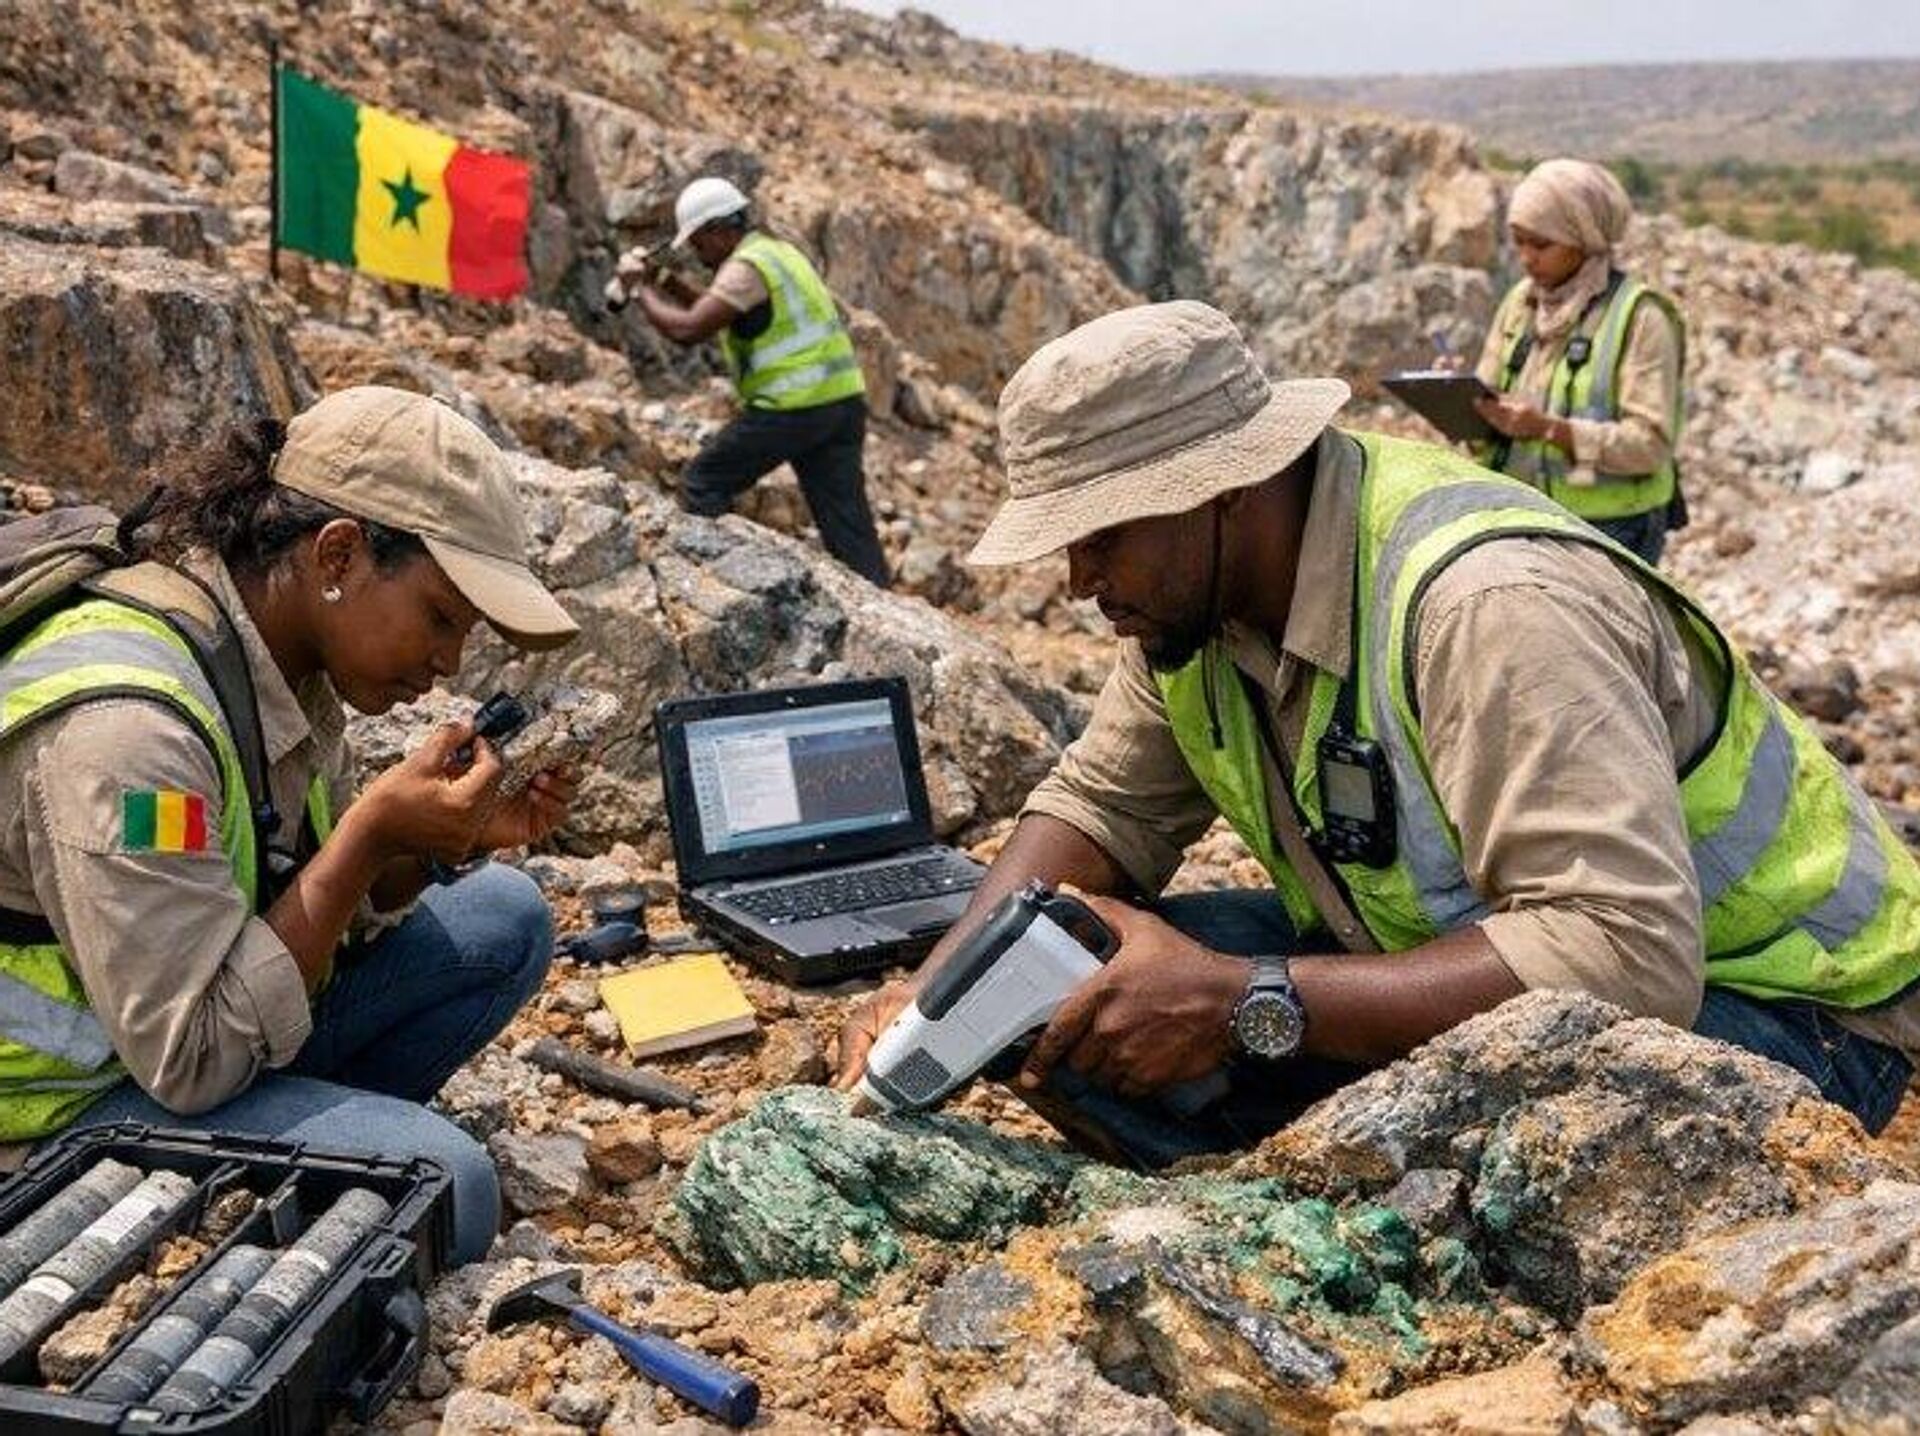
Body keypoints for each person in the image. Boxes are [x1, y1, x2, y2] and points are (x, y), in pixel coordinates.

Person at [833, 301, 1919, 1168]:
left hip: (1784, 1007)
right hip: (1461, 948)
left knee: (1489, 1156)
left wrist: (1244, 1002)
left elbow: (1624, 956)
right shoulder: (1195, 605)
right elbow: (1101, 807)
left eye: (1102, 535)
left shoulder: (1489, 603)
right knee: (1052, 988)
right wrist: (936, 994)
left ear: (1225, 490)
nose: (1079, 580)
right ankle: (1278, 1182)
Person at [0, 386, 582, 1265]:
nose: (448, 660)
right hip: (61, 1109)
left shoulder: (279, 659)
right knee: (452, 1183)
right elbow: (193, 1060)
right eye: (439, 617)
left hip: (189, 1037)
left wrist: (427, 847)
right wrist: (370, 836)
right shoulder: (132, 740)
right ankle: (290, 1169)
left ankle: (301, 1153)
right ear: (338, 553)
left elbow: (291, 892)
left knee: (505, 917)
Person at [614, 175, 892, 587]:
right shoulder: (776, 253)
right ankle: (876, 597)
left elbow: (689, 329)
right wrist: (663, 280)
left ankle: (716, 587)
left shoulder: (746, 267)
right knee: (847, 523)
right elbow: (719, 308)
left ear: (719, 229)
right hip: (839, 402)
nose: (698, 253)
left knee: (702, 482)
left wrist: (637, 290)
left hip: (793, 406)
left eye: (699, 242)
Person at [1465, 158, 1686, 565]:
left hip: (1613, 531)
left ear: (1584, 239)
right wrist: (1459, 400)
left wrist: (1550, 431)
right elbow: (1489, 404)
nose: (1526, 258)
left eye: (1541, 245)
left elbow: (1650, 446)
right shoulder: (1521, 303)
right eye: (1518, 242)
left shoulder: (1640, 317)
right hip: (1522, 516)